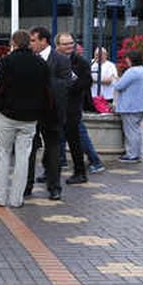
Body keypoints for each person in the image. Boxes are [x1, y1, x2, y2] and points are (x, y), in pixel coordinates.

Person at [0, 30, 49, 208]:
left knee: (2, 155)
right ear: (29, 43)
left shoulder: (6, 62)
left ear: (13, 43)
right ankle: (17, 199)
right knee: (23, 157)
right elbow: (46, 92)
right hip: (30, 118)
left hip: (6, 115)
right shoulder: (40, 63)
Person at [25, 26, 70, 199]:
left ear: (44, 41)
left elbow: (67, 83)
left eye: (34, 40)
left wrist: (44, 82)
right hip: (31, 113)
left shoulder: (60, 59)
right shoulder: (29, 59)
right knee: (28, 149)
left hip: (52, 113)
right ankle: (27, 185)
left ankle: (54, 186)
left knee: (53, 150)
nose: (31, 44)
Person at [55, 33, 93, 183]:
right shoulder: (53, 60)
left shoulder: (81, 62)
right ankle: (50, 171)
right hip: (55, 107)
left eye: (71, 43)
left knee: (74, 141)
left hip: (72, 108)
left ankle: (80, 172)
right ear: (57, 46)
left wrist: (67, 86)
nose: (69, 46)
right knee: (53, 141)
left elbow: (86, 82)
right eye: (65, 44)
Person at [113, 50, 143, 163]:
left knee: (131, 131)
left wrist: (114, 80)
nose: (126, 60)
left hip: (131, 106)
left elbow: (119, 86)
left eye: (127, 58)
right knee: (135, 130)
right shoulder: (142, 70)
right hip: (139, 105)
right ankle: (135, 153)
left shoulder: (132, 71)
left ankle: (132, 154)